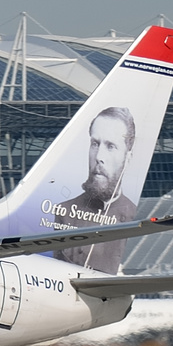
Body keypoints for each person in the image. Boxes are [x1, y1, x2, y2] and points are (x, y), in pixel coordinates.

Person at [51, 106, 139, 273]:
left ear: (127, 159)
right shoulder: (64, 211)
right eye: (95, 144)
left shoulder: (133, 216)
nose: (99, 157)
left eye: (111, 146)